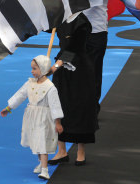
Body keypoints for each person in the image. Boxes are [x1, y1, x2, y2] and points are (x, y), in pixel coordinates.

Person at [0, 55, 64, 180]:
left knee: (42, 142)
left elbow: (55, 106)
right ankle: (41, 163)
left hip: (44, 118)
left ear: (43, 69)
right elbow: (20, 95)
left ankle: (45, 170)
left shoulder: (50, 88)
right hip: (32, 117)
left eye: (35, 69)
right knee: (36, 141)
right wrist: (9, 108)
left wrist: (58, 123)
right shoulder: (30, 83)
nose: (32, 71)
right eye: (32, 68)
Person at [49, 12, 98, 166]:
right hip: (62, 71)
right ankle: (61, 150)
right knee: (58, 107)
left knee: (79, 107)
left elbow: (74, 48)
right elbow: (43, 25)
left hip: (80, 70)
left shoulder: (82, 22)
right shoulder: (59, 20)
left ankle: (80, 151)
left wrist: (54, 67)